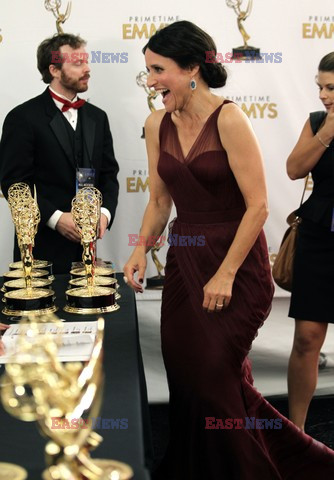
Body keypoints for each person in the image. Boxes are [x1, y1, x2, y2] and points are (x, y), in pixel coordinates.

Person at [124, 21, 334, 480]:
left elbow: (258, 207)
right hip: (185, 261)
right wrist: (140, 250)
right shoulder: (156, 121)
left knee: (213, 374)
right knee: (189, 375)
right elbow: (160, 201)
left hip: (237, 265)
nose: (152, 81)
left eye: (159, 70)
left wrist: (225, 274)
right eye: (148, 71)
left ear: (192, 68)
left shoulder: (230, 118)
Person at [0, 33, 119, 273]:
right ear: (54, 70)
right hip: (40, 251)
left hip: (89, 254)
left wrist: (104, 214)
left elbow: (109, 175)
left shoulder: (98, 117)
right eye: (78, 63)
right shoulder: (22, 118)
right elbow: (13, 184)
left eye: (87, 62)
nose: (87, 69)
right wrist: (55, 219)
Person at [287, 52, 334, 432]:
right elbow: (293, 169)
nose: (322, 94)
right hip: (319, 237)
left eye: (331, 87)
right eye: (319, 86)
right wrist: (327, 131)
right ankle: (296, 432)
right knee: (306, 338)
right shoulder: (318, 122)